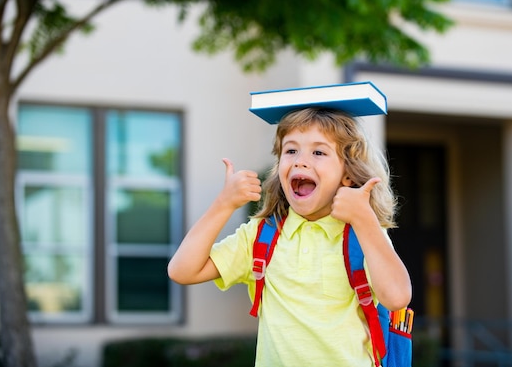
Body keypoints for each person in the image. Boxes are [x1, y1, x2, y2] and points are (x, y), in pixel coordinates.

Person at [168, 107, 412, 367]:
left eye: (318, 152)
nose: (300, 161)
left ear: (348, 174)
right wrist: (223, 205)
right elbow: (182, 270)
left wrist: (365, 220)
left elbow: (397, 298)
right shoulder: (261, 235)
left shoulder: (364, 235)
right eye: (291, 150)